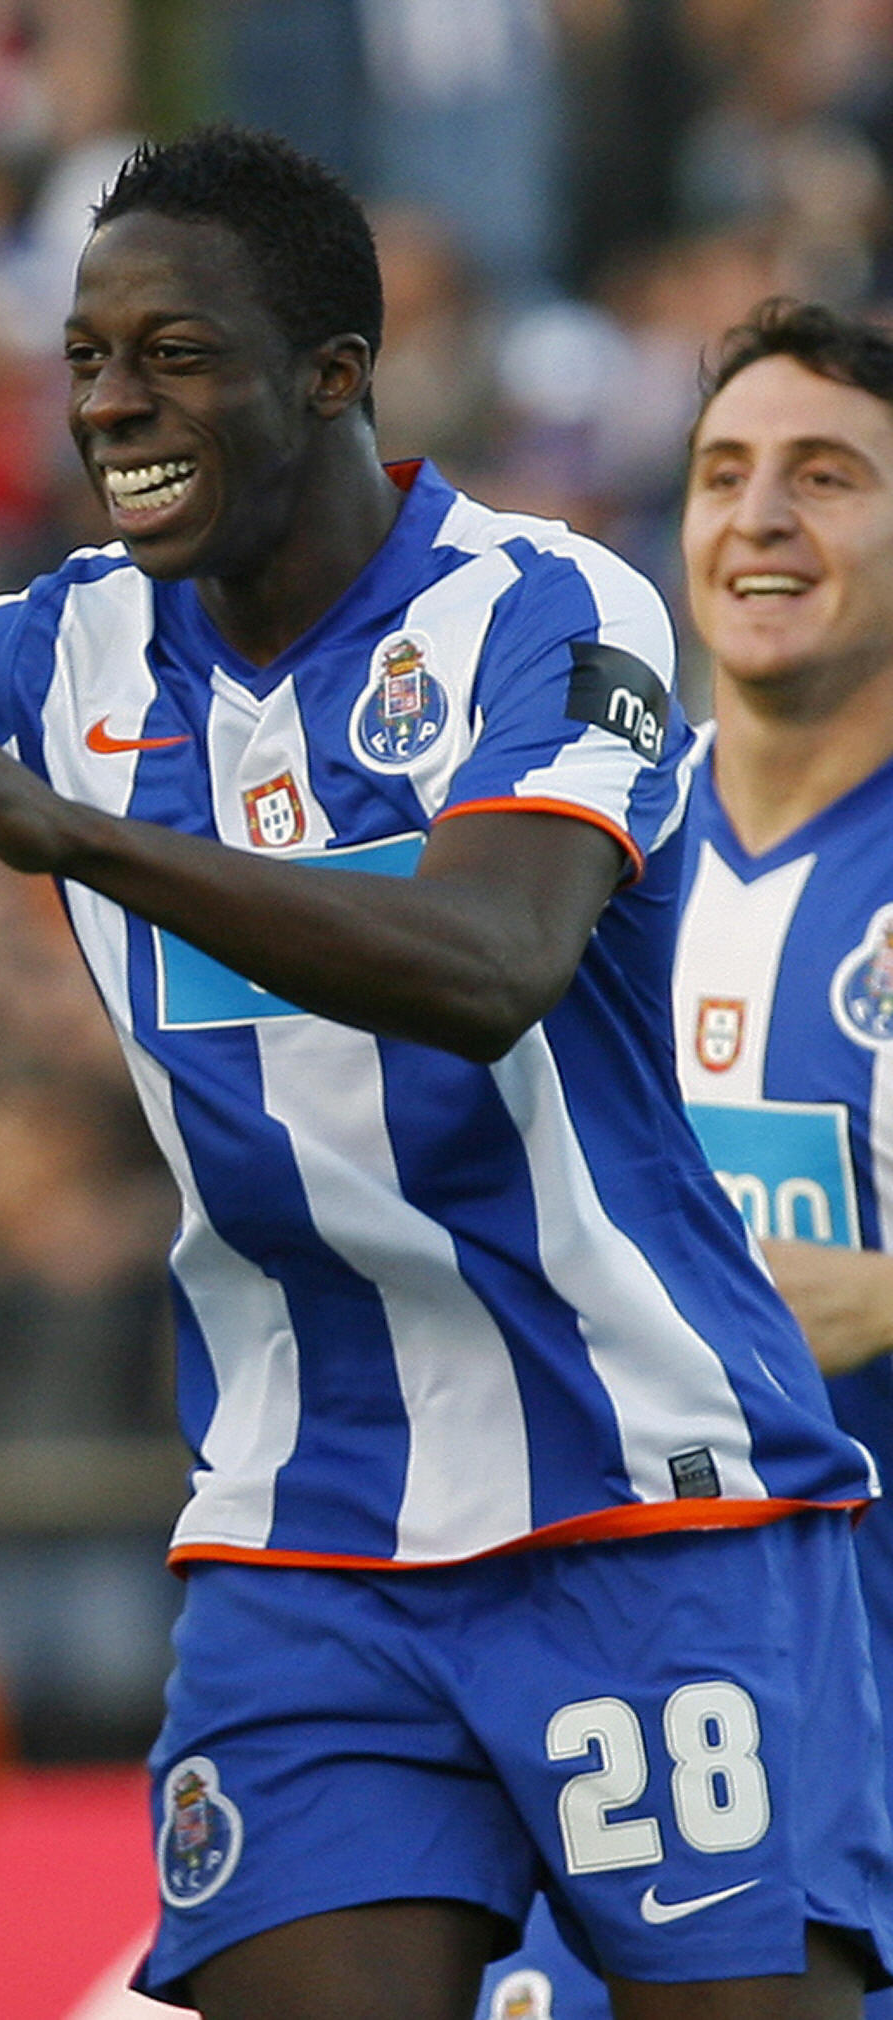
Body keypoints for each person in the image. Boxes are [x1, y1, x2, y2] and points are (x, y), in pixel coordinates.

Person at [0, 130, 893, 2020]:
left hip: (644, 1503)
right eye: (86, 358)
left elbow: (489, 966)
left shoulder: (547, 614)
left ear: (335, 373)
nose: (116, 405)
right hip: (308, 1542)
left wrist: (68, 836)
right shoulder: (49, 646)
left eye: (178, 354)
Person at [476, 303, 893, 2020]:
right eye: (726, 474)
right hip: (607, 1702)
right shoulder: (580, 845)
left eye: (827, 476)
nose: (760, 519)